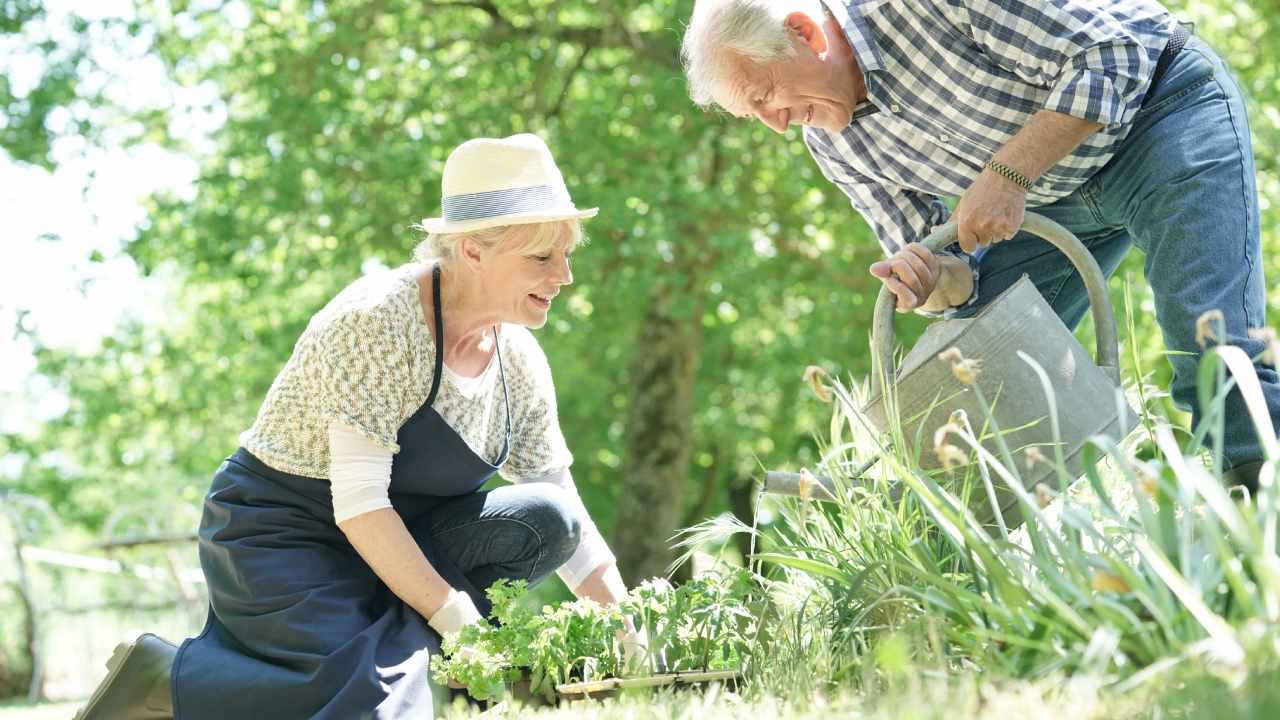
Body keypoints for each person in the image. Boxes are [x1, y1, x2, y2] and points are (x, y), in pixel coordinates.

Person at [76, 133, 633, 719]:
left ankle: (393, 659)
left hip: (405, 539)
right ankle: (165, 680)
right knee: (381, 701)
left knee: (551, 518)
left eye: (567, 255)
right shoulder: (378, 323)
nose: (565, 276)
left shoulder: (516, 360)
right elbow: (362, 507)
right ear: (472, 250)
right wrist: (454, 617)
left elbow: (562, 497)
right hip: (286, 537)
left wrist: (628, 625)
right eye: (543, 257)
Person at [680, 0, 1278, 488]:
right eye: (752, 114)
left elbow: (1116, 53)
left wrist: (1008, 175)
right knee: (969, 371)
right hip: (1049, 200)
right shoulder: (835, 143)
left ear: (804, 32)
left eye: (764, 97)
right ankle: (985, 580)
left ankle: (1256, 549)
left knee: (1212, 343)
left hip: (1160, 111)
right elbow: (951, 271)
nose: (776, 124)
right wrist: (932, 281)